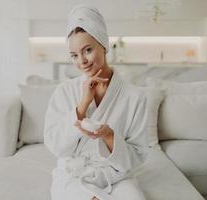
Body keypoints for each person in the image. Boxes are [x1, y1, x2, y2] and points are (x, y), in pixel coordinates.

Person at [44, 4, 148, 200]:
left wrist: (109, 136)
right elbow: (56, 146)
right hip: (74, 176)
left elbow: (138, 155)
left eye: (88, 50)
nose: (82, 61)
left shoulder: (135, 96)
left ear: (104, 45)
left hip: (117, 177)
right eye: (74, 55)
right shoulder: (64, 92)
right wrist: (83, 105)